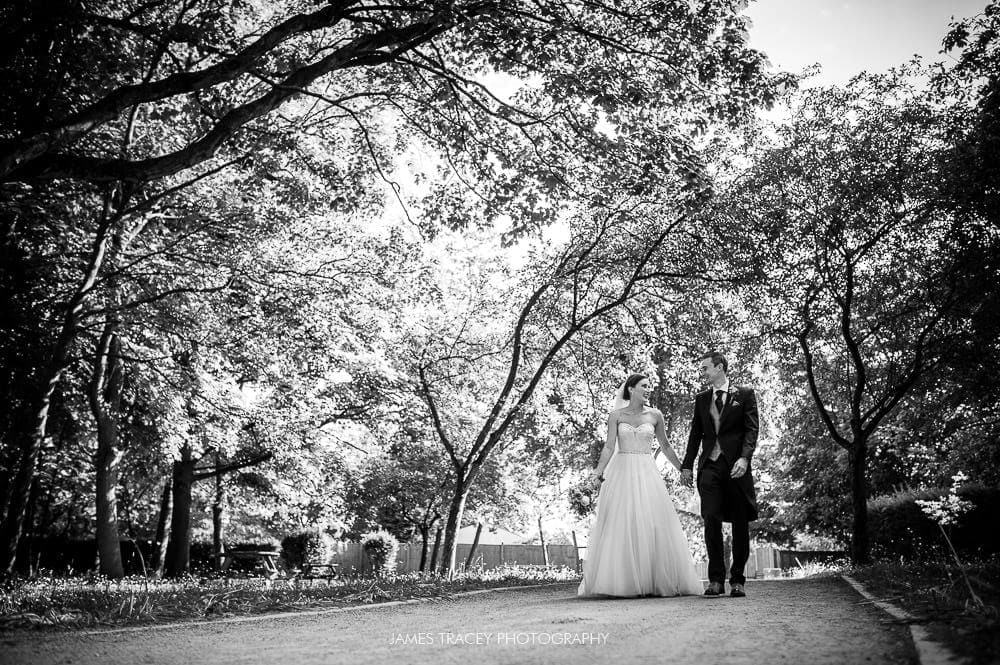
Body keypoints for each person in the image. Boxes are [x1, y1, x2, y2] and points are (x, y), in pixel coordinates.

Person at [578, 373, 703, 598]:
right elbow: (608, 447)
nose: (648, 389)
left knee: (652, 522)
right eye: (644, 386)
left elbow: (665, 446)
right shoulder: (616, 416)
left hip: (647, 471)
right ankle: (623, 581)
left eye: (649, 386)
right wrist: (598, 473)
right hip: (621, 470)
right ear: (631, 389)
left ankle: (653, 580)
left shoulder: (655, 415)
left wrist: (683, 469)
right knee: (621, 522)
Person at [681, 351, 759, 598]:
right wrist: (687, 465)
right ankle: (715, 580)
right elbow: (696, 434)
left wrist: (745, 458)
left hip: (736, 467)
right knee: (711, 519)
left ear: (720, 367)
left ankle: (737, 580)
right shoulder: (702, 398)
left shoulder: (744, 394)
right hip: (710, 467)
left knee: (739, 523)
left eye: (705, 368)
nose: (702, 372)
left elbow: (751, 429)